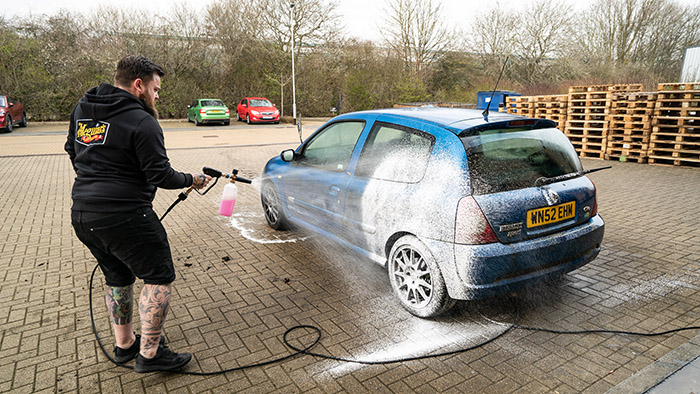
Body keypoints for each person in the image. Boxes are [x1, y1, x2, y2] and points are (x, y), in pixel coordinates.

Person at [65, 55, 211, 373]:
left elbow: (72, 151)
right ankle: (150, 353)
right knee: (158, 276)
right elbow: (161, 174)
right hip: (127, 215)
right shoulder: (143, 121)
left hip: (84, 215)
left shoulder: (83, 108)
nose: (157, 96)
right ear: (138, 85)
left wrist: (95, 181)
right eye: (156, 90)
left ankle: (125, 345)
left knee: (117, 277)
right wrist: (193, 180)